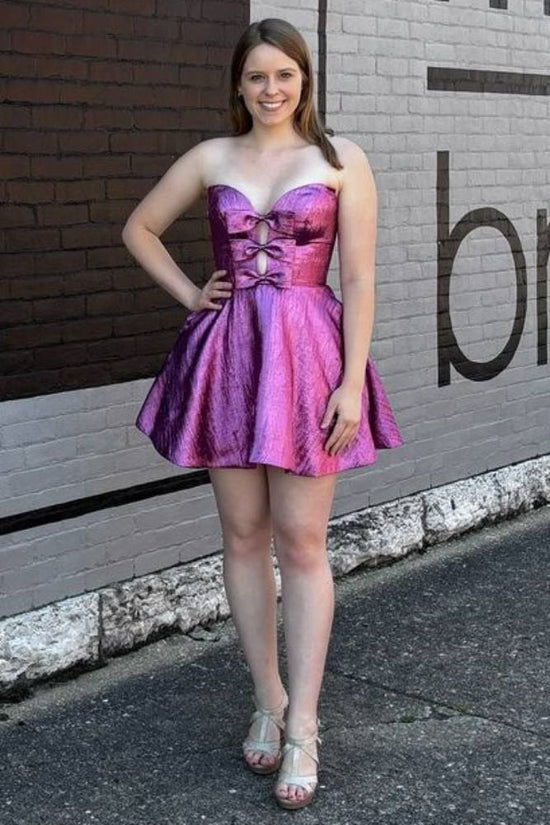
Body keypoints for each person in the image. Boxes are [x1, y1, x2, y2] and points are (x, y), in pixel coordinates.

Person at [122, 17, 404, 811]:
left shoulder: (342, 161)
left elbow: (360, 278)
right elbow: (139, 228)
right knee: (244, 535)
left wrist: (351, 383)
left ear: (304, 78)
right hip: (229, 359)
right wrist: (191, 293)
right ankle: (267, 699)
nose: (271, 89)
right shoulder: (212, 157)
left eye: (284, 74)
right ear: (238, 85)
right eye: (256, 76)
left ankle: (305, 724)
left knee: (302, 540)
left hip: (310, 361)